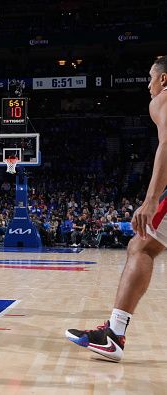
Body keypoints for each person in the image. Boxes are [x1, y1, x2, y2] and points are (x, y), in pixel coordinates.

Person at [66, 55, 167, 361]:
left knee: (141, 246)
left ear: (163, 79)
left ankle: (115, 334)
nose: (147, 85)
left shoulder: (162, 99)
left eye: (150, 77)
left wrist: (151, 200)